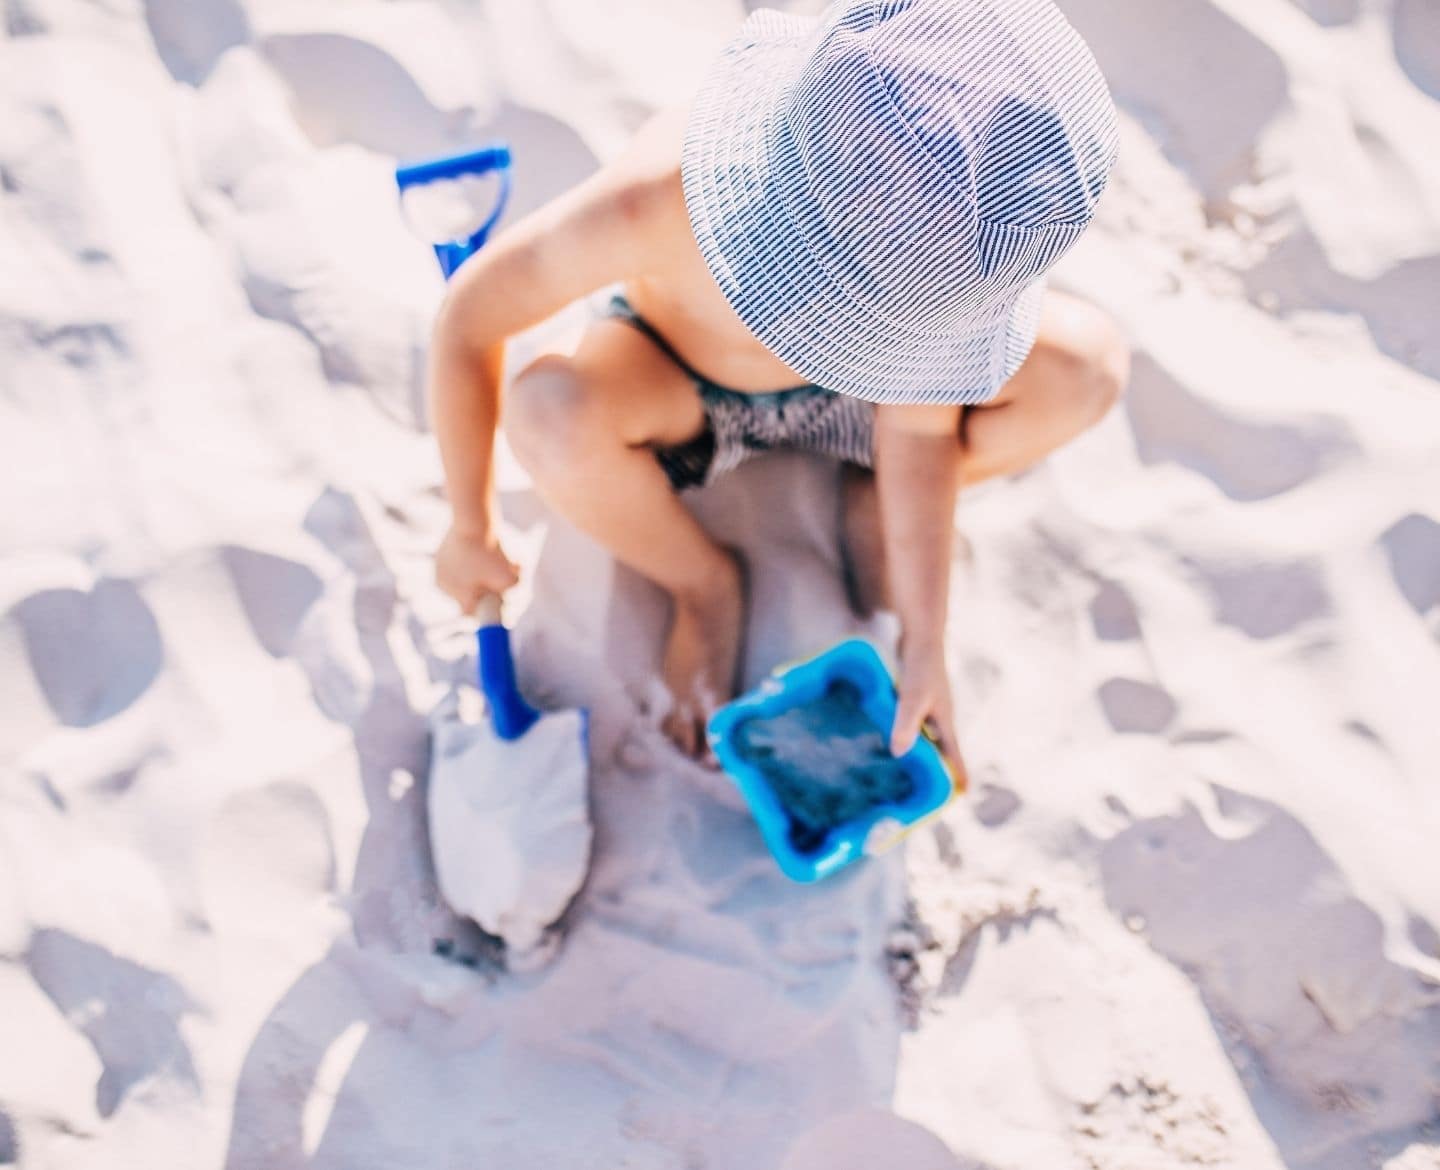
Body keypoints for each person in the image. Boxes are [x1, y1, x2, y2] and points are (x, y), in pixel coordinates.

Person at [428, 0, 1131, 783]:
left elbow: (922, 429)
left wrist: (926, 638)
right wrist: (469, 525)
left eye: (871, 302)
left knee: (1084, 366)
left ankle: (870, 503)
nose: (823, 312)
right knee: (549, 411)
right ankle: (703, 584)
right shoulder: (658, 201)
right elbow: (468, 319)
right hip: (687, 384)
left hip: (868, 404)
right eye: (823, 290)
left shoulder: (937, 258)